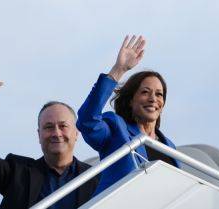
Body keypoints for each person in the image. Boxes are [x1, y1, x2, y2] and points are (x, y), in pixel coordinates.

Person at [0, 60, 99, 209]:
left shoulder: (96, 178)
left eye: (63, 126)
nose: (56, 133)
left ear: (76, 132)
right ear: (39, 135)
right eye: (49, 127)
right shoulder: (18, 173)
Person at [76, 35, 180, 196]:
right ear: (131, 100)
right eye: (145, 92)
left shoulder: (170, 146)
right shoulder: (116, 129)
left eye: (159, 94)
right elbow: (87, 121)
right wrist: (119, 69)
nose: (153, 99)